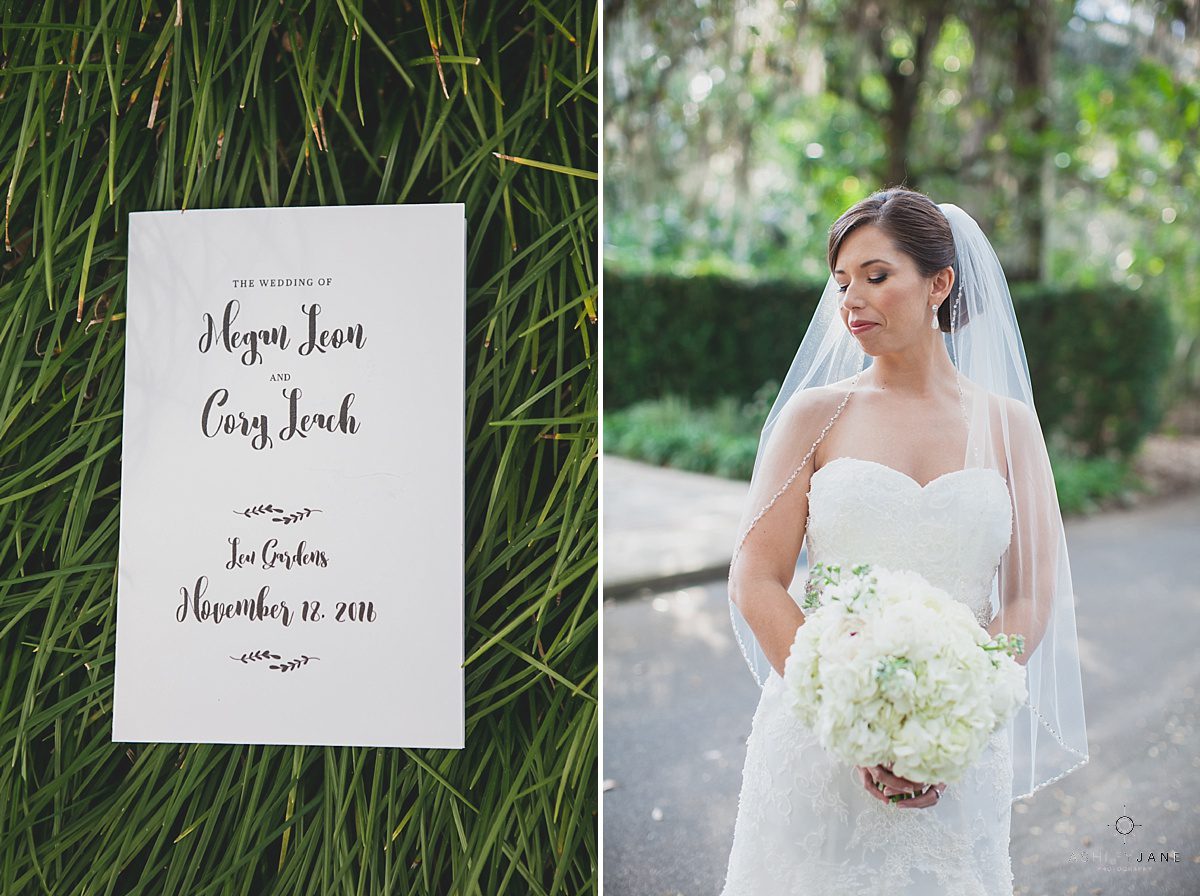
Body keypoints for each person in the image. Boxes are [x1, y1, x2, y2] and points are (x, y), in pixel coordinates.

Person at [719, 187, 1088, 895]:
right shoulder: (816, 416)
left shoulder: (1010, 427)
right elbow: (755, 576)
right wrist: (845, 714)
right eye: (842, 282)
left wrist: (953, 713)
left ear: (939, 283)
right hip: (816, 734)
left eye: (876, 276)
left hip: (951, 745)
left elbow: (1033, 591)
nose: (852, 298)